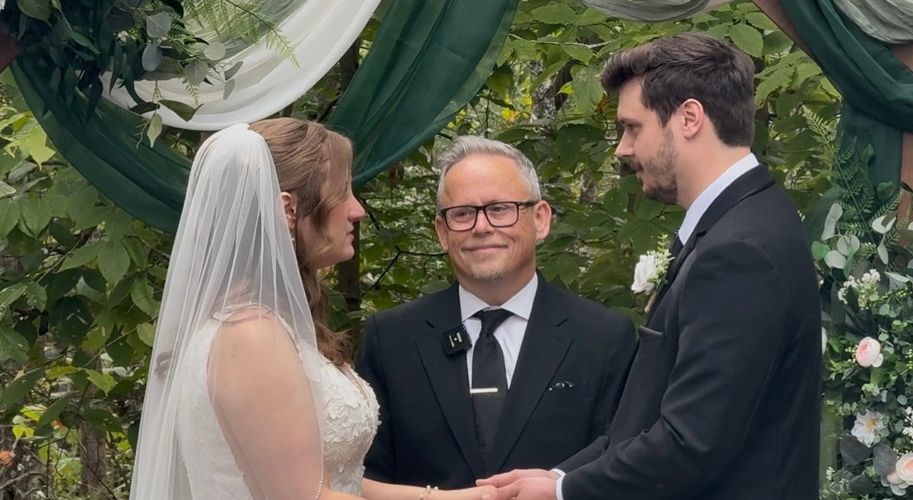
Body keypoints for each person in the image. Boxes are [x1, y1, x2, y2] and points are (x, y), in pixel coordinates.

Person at [480, 32, 822, 500]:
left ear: (688, 117)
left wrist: (567, 493)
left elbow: (691, 444)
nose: (621, 149)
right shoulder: (743, 223)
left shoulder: (740, 252)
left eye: (633, 127)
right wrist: (560, 477)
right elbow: (650, 416)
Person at [129, 118, 494, 500]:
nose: (358, 210)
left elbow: (323, 480)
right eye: (343, 191)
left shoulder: (259, 323)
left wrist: (461, 498)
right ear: (289, 209)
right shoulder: (250, 336)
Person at [355, 136, 637, 490]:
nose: (482, 226)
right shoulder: (391, 338)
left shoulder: (604, 337)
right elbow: (363, 477)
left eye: (500, 208)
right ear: (442, 233)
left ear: (541, 220)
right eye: (462, 213)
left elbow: (622, 461)